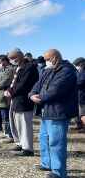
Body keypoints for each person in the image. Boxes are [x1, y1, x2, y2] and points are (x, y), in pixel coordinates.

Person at [30, 49, 78, 178]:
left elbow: (55, 90)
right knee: (43, 138)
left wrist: (38, 97)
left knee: (56, 142)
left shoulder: (67, 71)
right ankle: (47, 163)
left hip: (58, 112)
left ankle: (59, 172)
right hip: (46, 111)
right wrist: (31, 95)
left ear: (55, 58)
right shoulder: (48, 70)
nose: (46, 62)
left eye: (47, 59)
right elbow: (37, 85)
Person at [6, 49, 39, 157]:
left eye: (13, 58)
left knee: (24, 124)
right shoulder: (19, 67)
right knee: (16, 123)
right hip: (16, 99)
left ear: (20, 56)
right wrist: (10, 91)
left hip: (24, 100)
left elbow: (23, 84)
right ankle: (20, 143)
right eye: (10, 59)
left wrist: (11, 92)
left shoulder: (29, 67)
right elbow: (15, 82)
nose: (12, 61)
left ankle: (28, 148)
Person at [73, 57, 85, 131]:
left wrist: (72, 84)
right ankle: (80, 125)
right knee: (79, 113)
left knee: (83, 114)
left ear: (81, 64)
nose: (77, 66)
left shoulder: (83, 72)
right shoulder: (80, 71)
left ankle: (84, 127)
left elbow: (80, 82)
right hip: (79, 95)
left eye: (77, 65)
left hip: (83, 96)